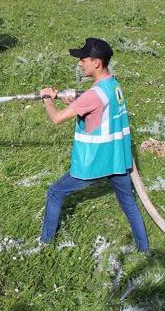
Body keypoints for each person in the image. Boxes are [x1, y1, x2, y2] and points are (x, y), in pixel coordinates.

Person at [39, 38, 149, 252]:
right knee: (129, 203)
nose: (80, 63)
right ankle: (144, 250)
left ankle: (45, 244)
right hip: (118, 159)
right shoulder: (113, 85)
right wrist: (77, 105)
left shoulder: (93, 94)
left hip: (95, 161)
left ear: (97, 63)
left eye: (84, 59)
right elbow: (99, 114)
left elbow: (57, 119)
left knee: (55, 192)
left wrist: (47, 99)